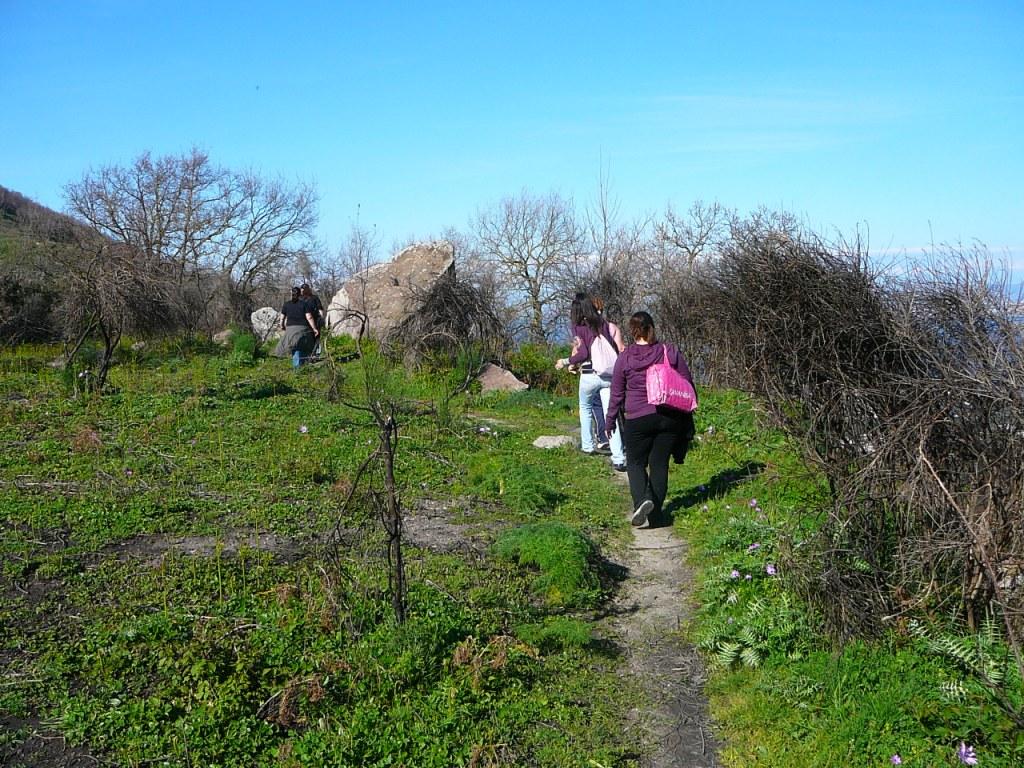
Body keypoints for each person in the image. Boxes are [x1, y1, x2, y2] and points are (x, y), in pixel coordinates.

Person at [606, 311, 695, 526]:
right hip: (668, 416)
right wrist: (689, 412)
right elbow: (687, 382)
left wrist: (610, 420)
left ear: (632, 330)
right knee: (659, 464)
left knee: (635, 463)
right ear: (652, 328)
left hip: (637, 418)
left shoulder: (625, 357)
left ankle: (642, 501)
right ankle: (656, 516)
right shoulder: (668, 351)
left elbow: (617, 393)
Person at [555, 295, 627, 470]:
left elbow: (582, 354)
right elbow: (621, 349)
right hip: (608, 376)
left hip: (589, 375)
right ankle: (618, 457)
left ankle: (587, 446)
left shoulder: (578, 328)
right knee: (611, 416)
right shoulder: (606, 325)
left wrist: (565, 362)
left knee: (585, 407)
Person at [278, 286, 319, 368]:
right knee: (301, 346)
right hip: (303, 329)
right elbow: (309, 317)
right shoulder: (304, 304)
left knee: (294, 346)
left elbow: (282, 318)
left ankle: (299, 365)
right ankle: (299, 367)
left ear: (291, 294)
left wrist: (282, 326)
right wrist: (314, 329)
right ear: (300, 294)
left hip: (290, 328)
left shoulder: (286, 304)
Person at [300, 283, 325, 356]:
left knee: (316, 337)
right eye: (302, 289)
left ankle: (315, 353)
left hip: (315, 320)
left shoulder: (314, 298)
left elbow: (320, 308)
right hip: (304, 321)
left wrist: (321, 318)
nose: (304, 290)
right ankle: (307, 354)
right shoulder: (300, 299)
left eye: (305, 289)